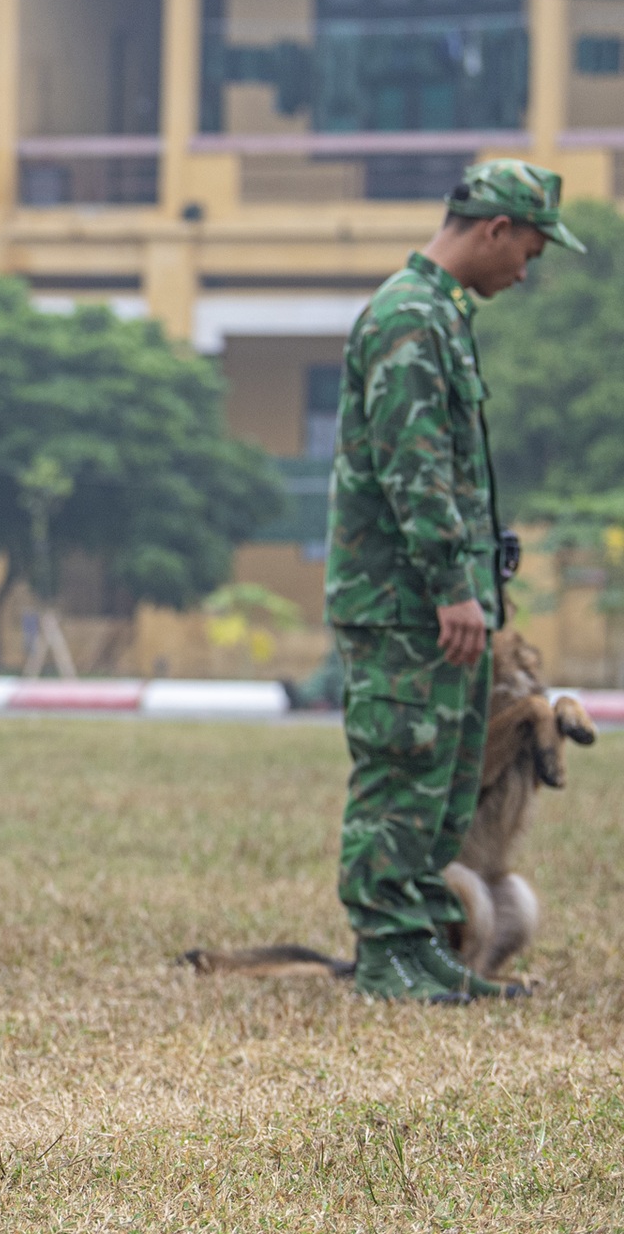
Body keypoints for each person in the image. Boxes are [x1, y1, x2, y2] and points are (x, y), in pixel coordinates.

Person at [324, 160, 583, 1003]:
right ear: (495, 228)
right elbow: (413, 466)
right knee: (399, 771)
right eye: (531, 249)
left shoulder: (440, 315)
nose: (527, 269)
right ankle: (384, 953)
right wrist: (450, 584)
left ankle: (419, 948)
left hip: (437, 602)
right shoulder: (408, 315)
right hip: (404, 604)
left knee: (438, 781)